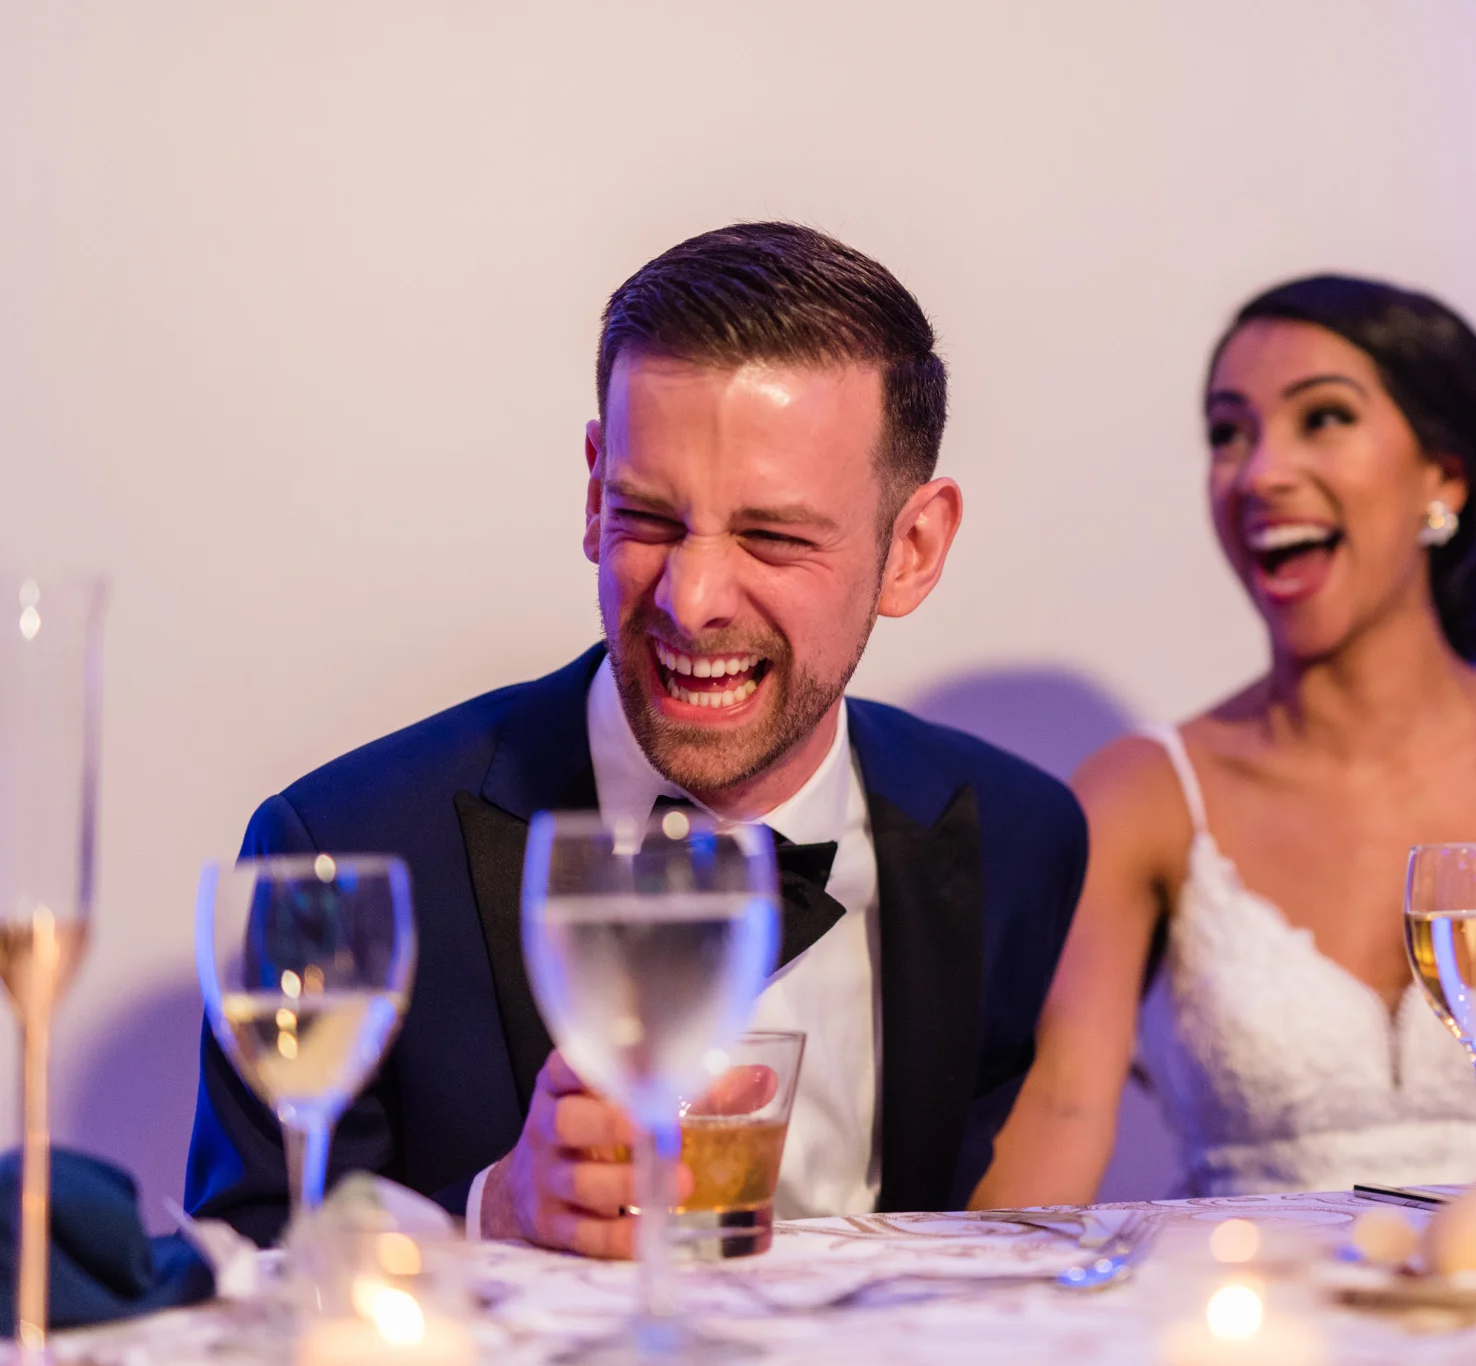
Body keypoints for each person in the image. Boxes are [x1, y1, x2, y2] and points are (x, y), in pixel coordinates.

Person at [186, 222, 1087, 1254]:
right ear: (591, 490)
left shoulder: (1018, 838)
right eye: (647, 517)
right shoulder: (343, 841)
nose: (690, 600)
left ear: (912, 548)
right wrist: (491, 1213)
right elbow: (239, 1265)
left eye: (772, 536)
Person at [972, 275, 1476, 1205]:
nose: (1261, 473)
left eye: (1323, 419)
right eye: (1229, 433)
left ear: (1445, 478)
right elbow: (1058, 1117)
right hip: (1251, 1295)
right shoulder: (1139, 796)